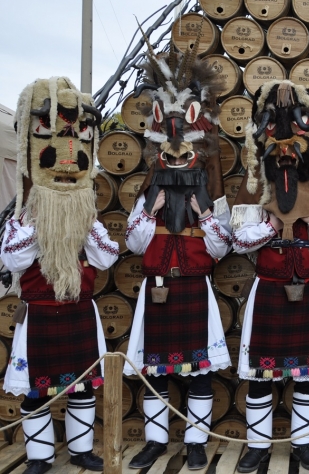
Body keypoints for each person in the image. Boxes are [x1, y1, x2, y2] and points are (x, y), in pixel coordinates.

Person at [123, 34, 232, 470]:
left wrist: (204, 215)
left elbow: (222, 248)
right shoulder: (149, 189)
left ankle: (196, 442)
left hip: (194, 289)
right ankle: (154, 441)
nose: (176, 151)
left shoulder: (209, 191)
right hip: (157, 289)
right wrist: (153, 210)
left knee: (199, 370)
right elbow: (131, 243)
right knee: (158, 368)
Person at [1, 76, 119, 474]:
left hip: (79, 309)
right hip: (39, 313)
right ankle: (40, 457)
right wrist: (44, 219)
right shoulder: (25, 214)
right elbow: (14, 261)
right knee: (37, 391)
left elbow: (105, 259)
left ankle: (83, 451)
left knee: (82, 385)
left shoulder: (88, 214)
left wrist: (83, 221)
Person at [230, 80, 309, 472]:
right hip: (270, 290)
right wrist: (273, 225)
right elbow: (238, 241)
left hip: (307, 290)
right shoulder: (258, 186)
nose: (288, 152)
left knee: (306, 374)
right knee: (261, 374)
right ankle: (258, 445)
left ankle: (304, 444)